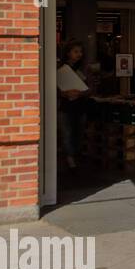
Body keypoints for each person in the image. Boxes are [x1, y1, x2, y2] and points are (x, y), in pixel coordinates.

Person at [57, 41, 89, 172]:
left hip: (80, 106)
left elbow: (89, 89)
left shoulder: (82, 69)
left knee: (79, 132)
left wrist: (81, 93)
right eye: (76, 51)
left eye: (80, 52)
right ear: (68, 53)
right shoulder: (60, 69)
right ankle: (70, 160)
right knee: (67, 133)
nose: (79, 54)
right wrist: (64, 93)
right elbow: (55, 89)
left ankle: (75, 156)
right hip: (65, 107)